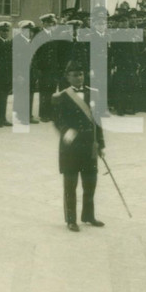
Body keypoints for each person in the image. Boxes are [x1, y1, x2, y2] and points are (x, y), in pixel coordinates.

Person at [53, 60, 105, 231]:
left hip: (89, 145)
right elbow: (58, 120)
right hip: (71, 148)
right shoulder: (62, 96)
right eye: (75, 75)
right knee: (71, 184)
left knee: (90, 182)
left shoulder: (93, 93)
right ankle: (71, 219)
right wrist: (66, 131)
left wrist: (101, 145)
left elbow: (97, 122)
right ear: (68, 77)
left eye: (81, 74)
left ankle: (88, 215)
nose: (79, 78)